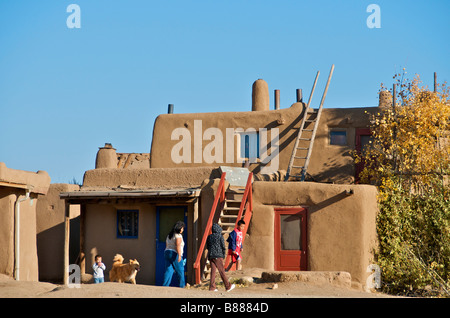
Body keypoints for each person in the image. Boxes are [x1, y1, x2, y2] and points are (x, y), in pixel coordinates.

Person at [206, 223, 236, 292]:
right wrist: (223, 255)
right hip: (218, 256)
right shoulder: (220, 236)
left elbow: (207, 247)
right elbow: (223, 246)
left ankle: (212, 287)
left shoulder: (209, 237)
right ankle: (228, 286)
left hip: (211, 256)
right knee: (222, 271)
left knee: (213, 272)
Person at [163, 221, 186, 287]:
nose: (183, 229)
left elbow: (167, 245)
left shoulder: (169, 235)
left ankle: (164, 286)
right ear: (179, 228)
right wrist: (179, 255)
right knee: (180, 270)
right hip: (174, 253)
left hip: (167, 252)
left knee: (169, 270)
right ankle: (182, 286)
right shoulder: (178, 235)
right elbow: (178, 245)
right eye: (182, 228)